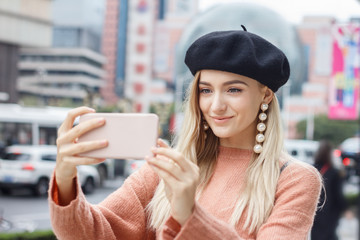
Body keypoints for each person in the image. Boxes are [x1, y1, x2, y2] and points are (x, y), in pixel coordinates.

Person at [49, 26, 322, 239]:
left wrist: (189, 213)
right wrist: (64, 177)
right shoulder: (167, 167)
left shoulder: (294, 179)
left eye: (233, 89)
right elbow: (95, 234)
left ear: (265, 95)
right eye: (206, 90)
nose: (216, 105)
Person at [311, 140, 347, 240]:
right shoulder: (334, 172)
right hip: (330, 211)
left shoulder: (311, 169)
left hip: (314, 211)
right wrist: (344, 208)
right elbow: (338, 195)